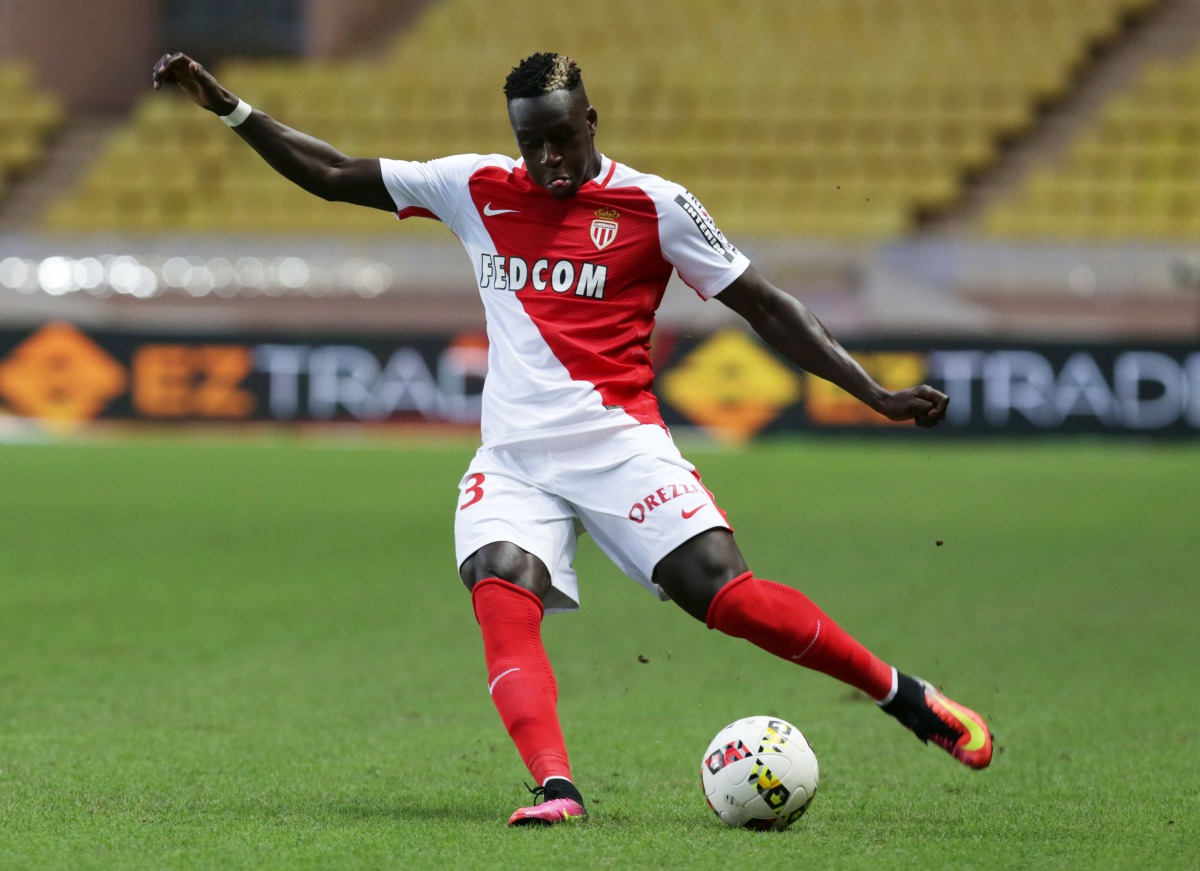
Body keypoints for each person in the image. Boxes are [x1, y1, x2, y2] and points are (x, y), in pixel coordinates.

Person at [153, 50, 993, 827]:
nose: (547, 162)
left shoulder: (656, 206)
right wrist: (230, 109)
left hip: (622, 447)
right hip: (515, 459)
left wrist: (872, 391)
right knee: (499, 589)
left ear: (591, 123)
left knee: (726, 596)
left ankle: (904, 695)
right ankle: (556, 787)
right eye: (531, 146)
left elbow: (766, 305)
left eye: (560, 140)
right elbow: (334, 173)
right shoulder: (473, 185)